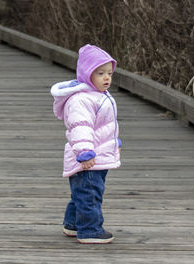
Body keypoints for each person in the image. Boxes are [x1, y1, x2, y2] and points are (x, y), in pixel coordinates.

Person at [50, 44, 121, 244]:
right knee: (89, 195)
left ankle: (73, 224)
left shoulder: (99, 95)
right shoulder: (81, 100)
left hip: (99, 153)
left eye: (109, 73)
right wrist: (85, 152)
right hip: (87, 157)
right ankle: (90, 230)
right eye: (100, 73)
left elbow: (105, 126)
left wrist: (115, 142)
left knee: (83, 193)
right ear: (87, 74)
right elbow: (80, 127)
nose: (106, 77)